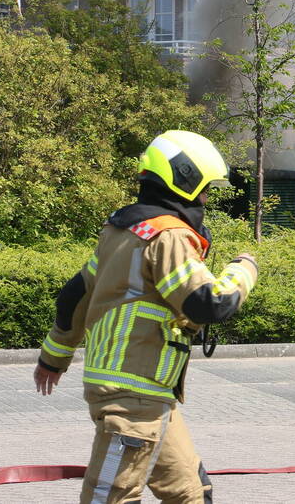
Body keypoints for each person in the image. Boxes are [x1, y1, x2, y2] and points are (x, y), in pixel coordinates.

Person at [33, 130, 258, 504]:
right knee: (111, 498)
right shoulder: (167, 237)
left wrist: (52, 359)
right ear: (184, 179)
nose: (205, 198)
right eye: (204, 188)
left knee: (190, 491)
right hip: (132, 400)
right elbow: (209, 303)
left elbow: (75, 296)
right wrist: (244, 268)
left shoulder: (121, 231)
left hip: (148, 398)